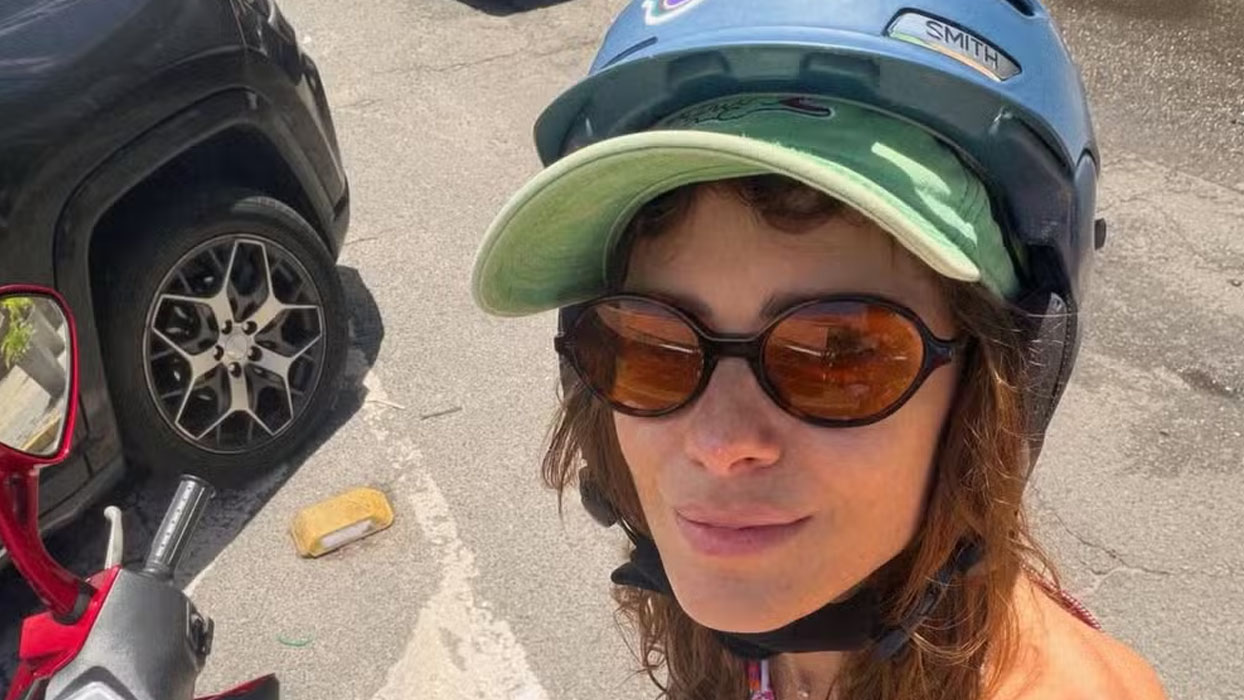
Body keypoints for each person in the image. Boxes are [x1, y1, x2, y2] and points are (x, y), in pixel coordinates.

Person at [472, 1, 1167, 698]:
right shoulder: (741, 636)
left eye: (840, 359)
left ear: (1000, 383)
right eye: (653, 346)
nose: (719, 444)